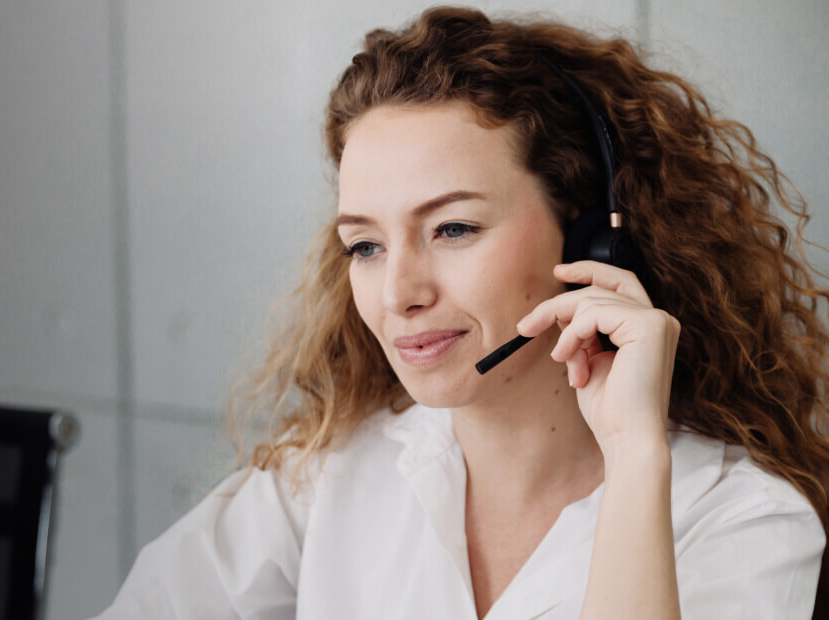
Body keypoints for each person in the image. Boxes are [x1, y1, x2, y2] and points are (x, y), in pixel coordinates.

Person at [93, 6, 828, 619]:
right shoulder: (334, 472)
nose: (398, 293)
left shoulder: (744, 519)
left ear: (589, 239)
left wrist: (635, 461)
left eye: (453, 229)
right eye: (366, 246)